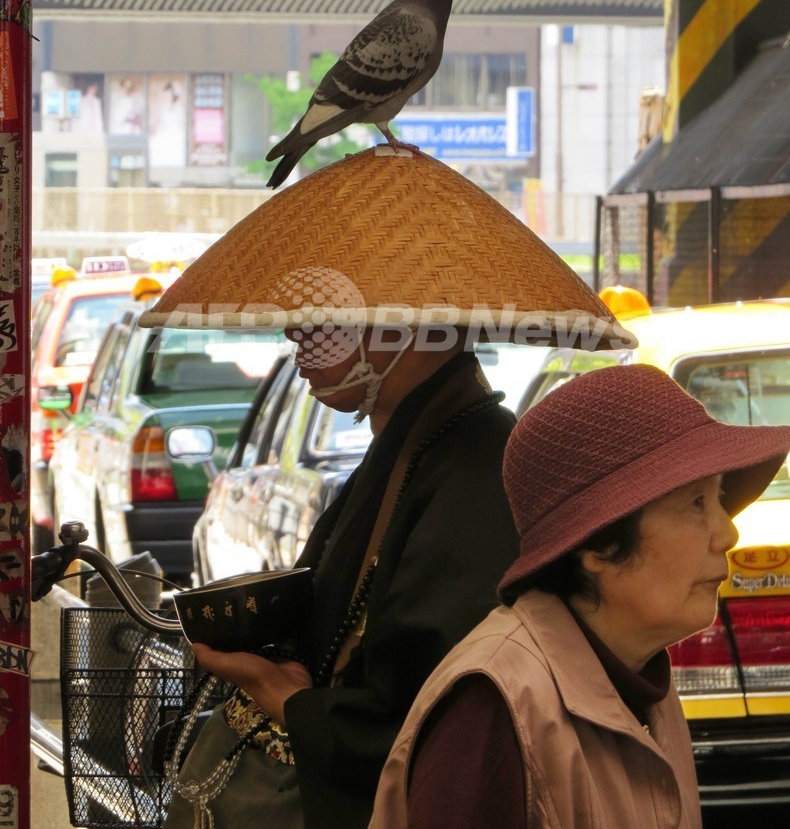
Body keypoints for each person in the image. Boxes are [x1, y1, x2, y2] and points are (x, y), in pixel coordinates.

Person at [145, 145, 632, 829]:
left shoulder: (479, 468)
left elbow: (433, 705)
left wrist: (292, 703)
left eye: (327, 318)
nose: (296, 334)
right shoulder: (422, 445)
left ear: (407, 326)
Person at [372, 363, 790, 829]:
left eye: (718, 499)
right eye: (696, 503)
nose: (728, 534)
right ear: (599, 546)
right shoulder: (494, 709)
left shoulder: (643, 680)